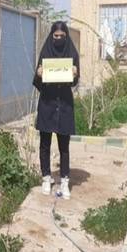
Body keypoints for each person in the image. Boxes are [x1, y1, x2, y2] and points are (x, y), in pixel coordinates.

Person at [33, 21, 80, 200]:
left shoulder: (72, 53)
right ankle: (46, 177)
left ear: (66, 37)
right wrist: (39, 74)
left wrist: (75, 73)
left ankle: (65, 180)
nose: (59, 39)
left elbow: (74, 80)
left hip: (65, 104)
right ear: (52, 36)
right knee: (44, 144)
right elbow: (37, 78)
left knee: (64, 146)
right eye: (56, 36)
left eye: (62, 36)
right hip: (47, 103)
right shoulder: (46, 52)